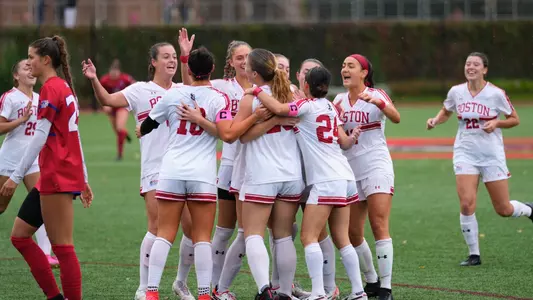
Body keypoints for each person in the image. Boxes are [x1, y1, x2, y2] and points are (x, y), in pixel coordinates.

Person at [140, 46, 266, 300]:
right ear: (212, 70)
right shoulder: (218, 98)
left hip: (172, 171)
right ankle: (205, 294)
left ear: (188, 70)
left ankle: (151, 292)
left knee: (165, 233)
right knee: (202, 237)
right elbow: (226, 134)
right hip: (202, 175)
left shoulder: (174, 94)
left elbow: (146, 126)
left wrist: (144, 129)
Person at [249, 66, 367, 300]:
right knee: (342, 239)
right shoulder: (331, 107)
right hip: (345, 176)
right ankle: (358, 292)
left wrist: (254, 90)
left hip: (326, 179)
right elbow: (344, 142)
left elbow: (278, 108)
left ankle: (317, 293)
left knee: (308, 237)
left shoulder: (305, 106)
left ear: (305, 86)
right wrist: (352, 138)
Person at [82, 42, 180, 300]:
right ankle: (144, 287)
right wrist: (94, 79)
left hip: (183, 170)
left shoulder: (183, 90)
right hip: (155, 169)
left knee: (192, 231)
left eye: (174, 57)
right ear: (154, 62)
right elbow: (107, 100)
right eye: (166, 57)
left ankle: (182, 284)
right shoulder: (140, 90)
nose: (172, 60)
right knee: (157, 227)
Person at [1, 35, 92, 300]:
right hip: (54, 176)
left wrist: (15, 176)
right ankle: (55, 297)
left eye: (31, 57)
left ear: (45, 59)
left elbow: (39, 137)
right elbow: (75, 135)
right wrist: (84, 177)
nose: (28, 62)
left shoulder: (52, 89)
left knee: (63, 248)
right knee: (19, 237)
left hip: (57, 176)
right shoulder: (60, 87)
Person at [426, 52, 532, 267]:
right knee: (466, 203)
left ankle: (529, 209)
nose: (470, 67)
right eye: (467, 64)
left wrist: (497, 124)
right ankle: (474, 254)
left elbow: (514, 119)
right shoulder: (456, 92)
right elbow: (447, 110)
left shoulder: (495, 94)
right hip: (465, 153)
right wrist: (436, 120)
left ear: (485, 69)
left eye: (476, 64)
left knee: (503, 209)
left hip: (491, 155)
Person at [177, 28, 255, 300]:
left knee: (248, 233)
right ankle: (209, 288)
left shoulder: (261, 88)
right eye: (239, 57)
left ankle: (221, 287)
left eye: (248, 56)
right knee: (223, 231)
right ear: (230, 62)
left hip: (256, 166)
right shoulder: (222, 87)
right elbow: (192, 89)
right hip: (231, 166)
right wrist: (185, 57)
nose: (244, 61)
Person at [236, 48, 304, 300]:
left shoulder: (250, 98)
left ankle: (264, 289)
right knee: (283, 236)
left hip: (263, 174)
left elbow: (241, 136)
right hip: (291, 174)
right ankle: (285, 292)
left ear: (254, 73)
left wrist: (267, 122)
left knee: (253, 233)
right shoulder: (293, 92)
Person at [334, 54, 400, 300]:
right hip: (350, 169)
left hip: (376, 165)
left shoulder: (376, 94)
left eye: (351, 66)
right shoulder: (339, 100)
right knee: (352, 232)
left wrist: (378, 102)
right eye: (343, 65)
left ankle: (386, 287)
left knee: (379, 224)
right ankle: (371, 279)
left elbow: (396, 117)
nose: (345, 69)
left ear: (363, 72)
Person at [0, 59, 59, 267]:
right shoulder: (10, 98)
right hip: (10, 160)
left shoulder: (40, 98)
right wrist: (20, 120)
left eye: (30, 66)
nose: (30, 70)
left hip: (33, 161)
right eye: (25, 67)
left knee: (42, 204)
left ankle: (45, 254)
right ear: (16, 76)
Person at [99, 59, 135, 160]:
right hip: (111, 107)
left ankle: (120, 154)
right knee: (118, 131)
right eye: (112, 72)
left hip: (122, 106)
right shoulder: (105, 80)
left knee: (119, 128)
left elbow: (136, 87)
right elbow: (100, 93)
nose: (114, 74)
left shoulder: (125, 79)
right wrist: (104, 105)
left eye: (116, 72)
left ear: (119, 72)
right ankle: (125, 133)